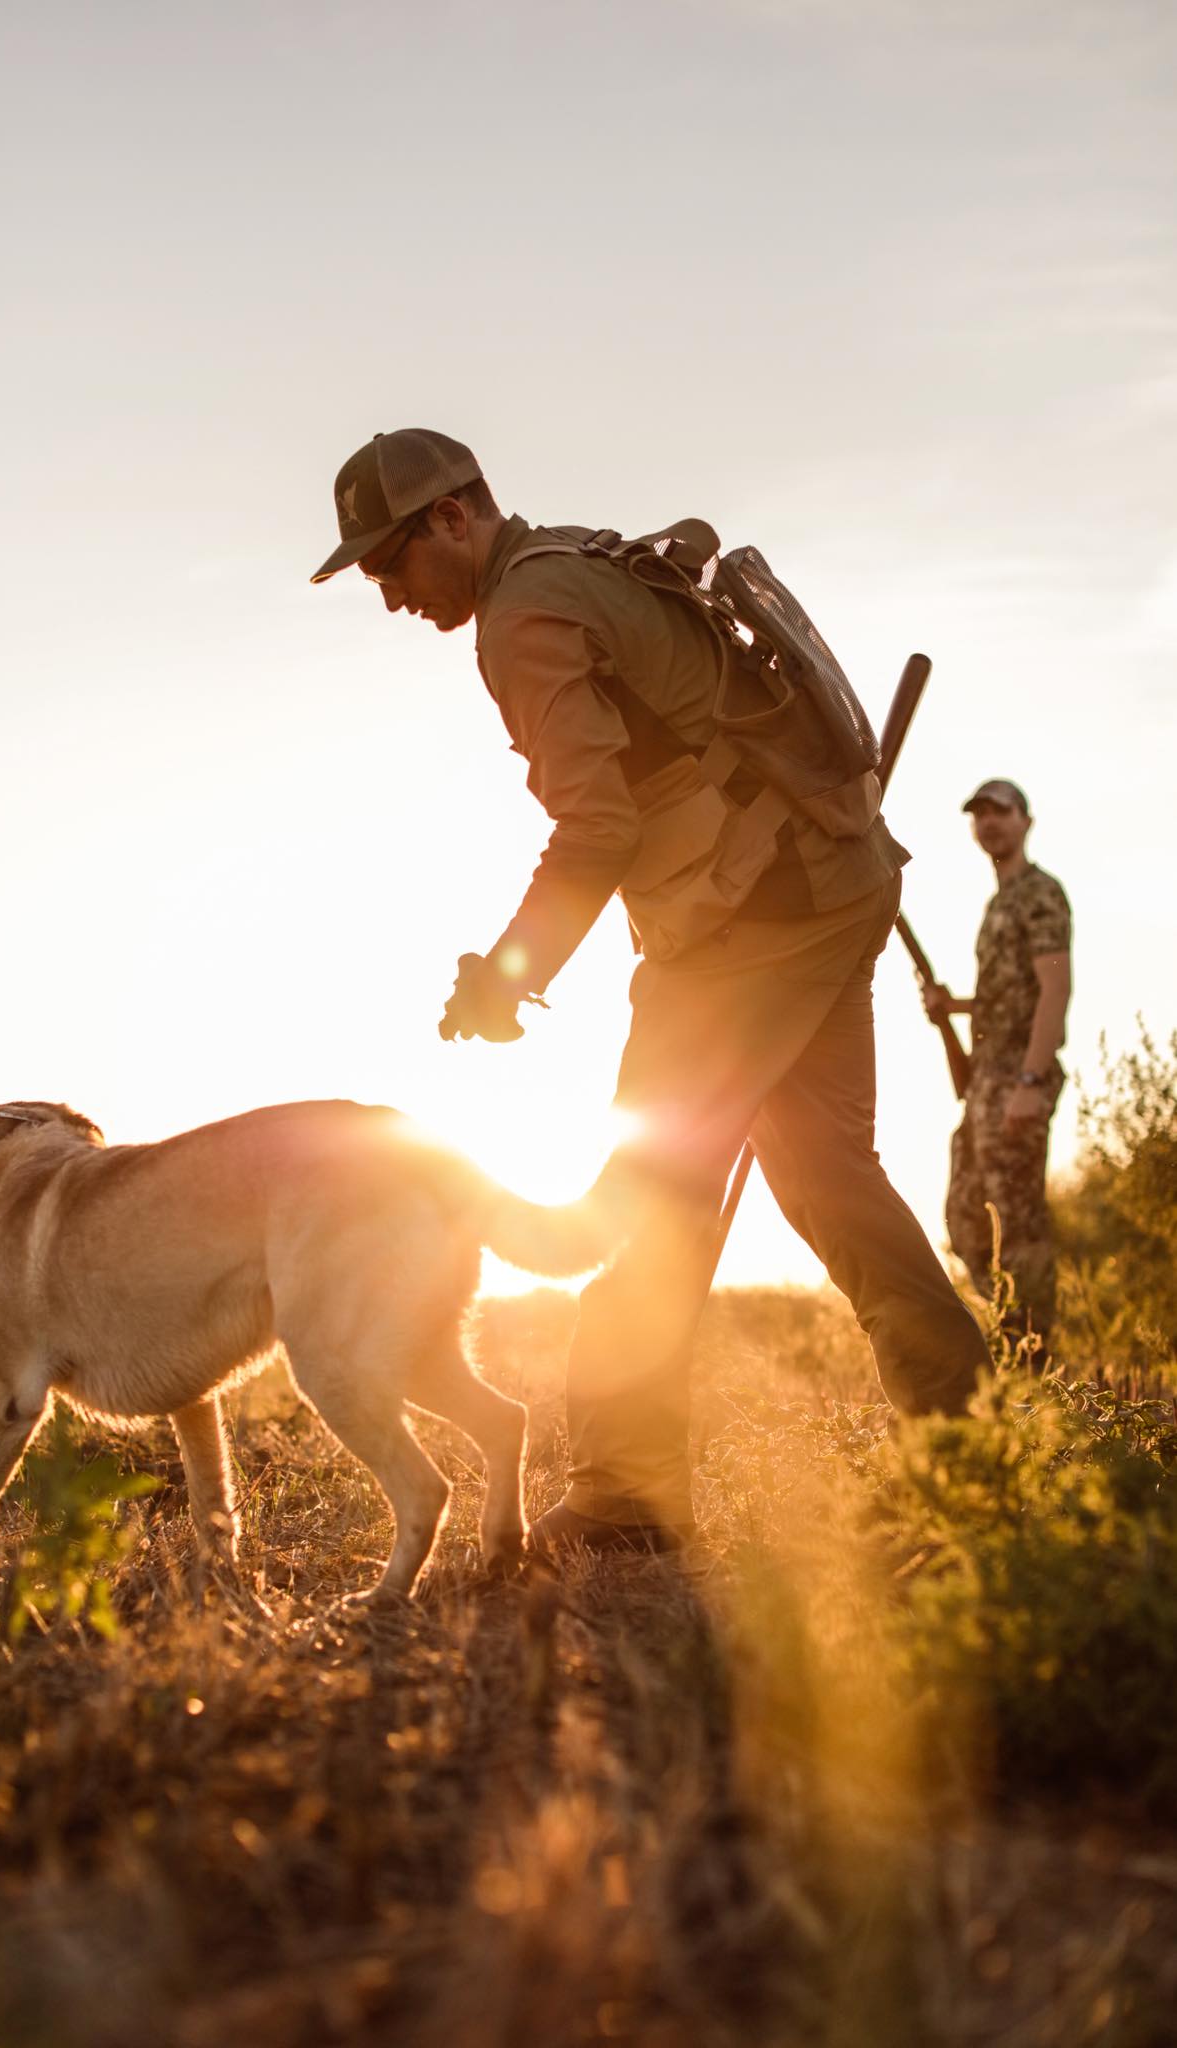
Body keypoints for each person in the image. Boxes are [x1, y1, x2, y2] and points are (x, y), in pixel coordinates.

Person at [312, 428, 989, 1554]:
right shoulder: (575, 561)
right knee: (826, 1171)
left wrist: (504, 978)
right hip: (827, 878)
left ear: (449, 518)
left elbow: (596, 828)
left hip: (749, 922)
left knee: (642, 1202)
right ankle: (970, 1440)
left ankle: (624, 1492)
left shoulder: (520, 618)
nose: (387, 597)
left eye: (387, 564)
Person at [921, 780, 1072, 1351]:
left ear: (1026, 821)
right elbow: (1006, 996)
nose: (989, 822)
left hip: (1018, 1078)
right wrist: (951, 1006)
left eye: (1001, 810)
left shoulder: (1039, 894)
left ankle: (1034, 1356)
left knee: (1019, 1223)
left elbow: (1055, 988)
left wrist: (1031, 1081)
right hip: (985, 1083)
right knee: (965, 1216)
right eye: (979, 813)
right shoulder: (998, 903)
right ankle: (1012, 1336)